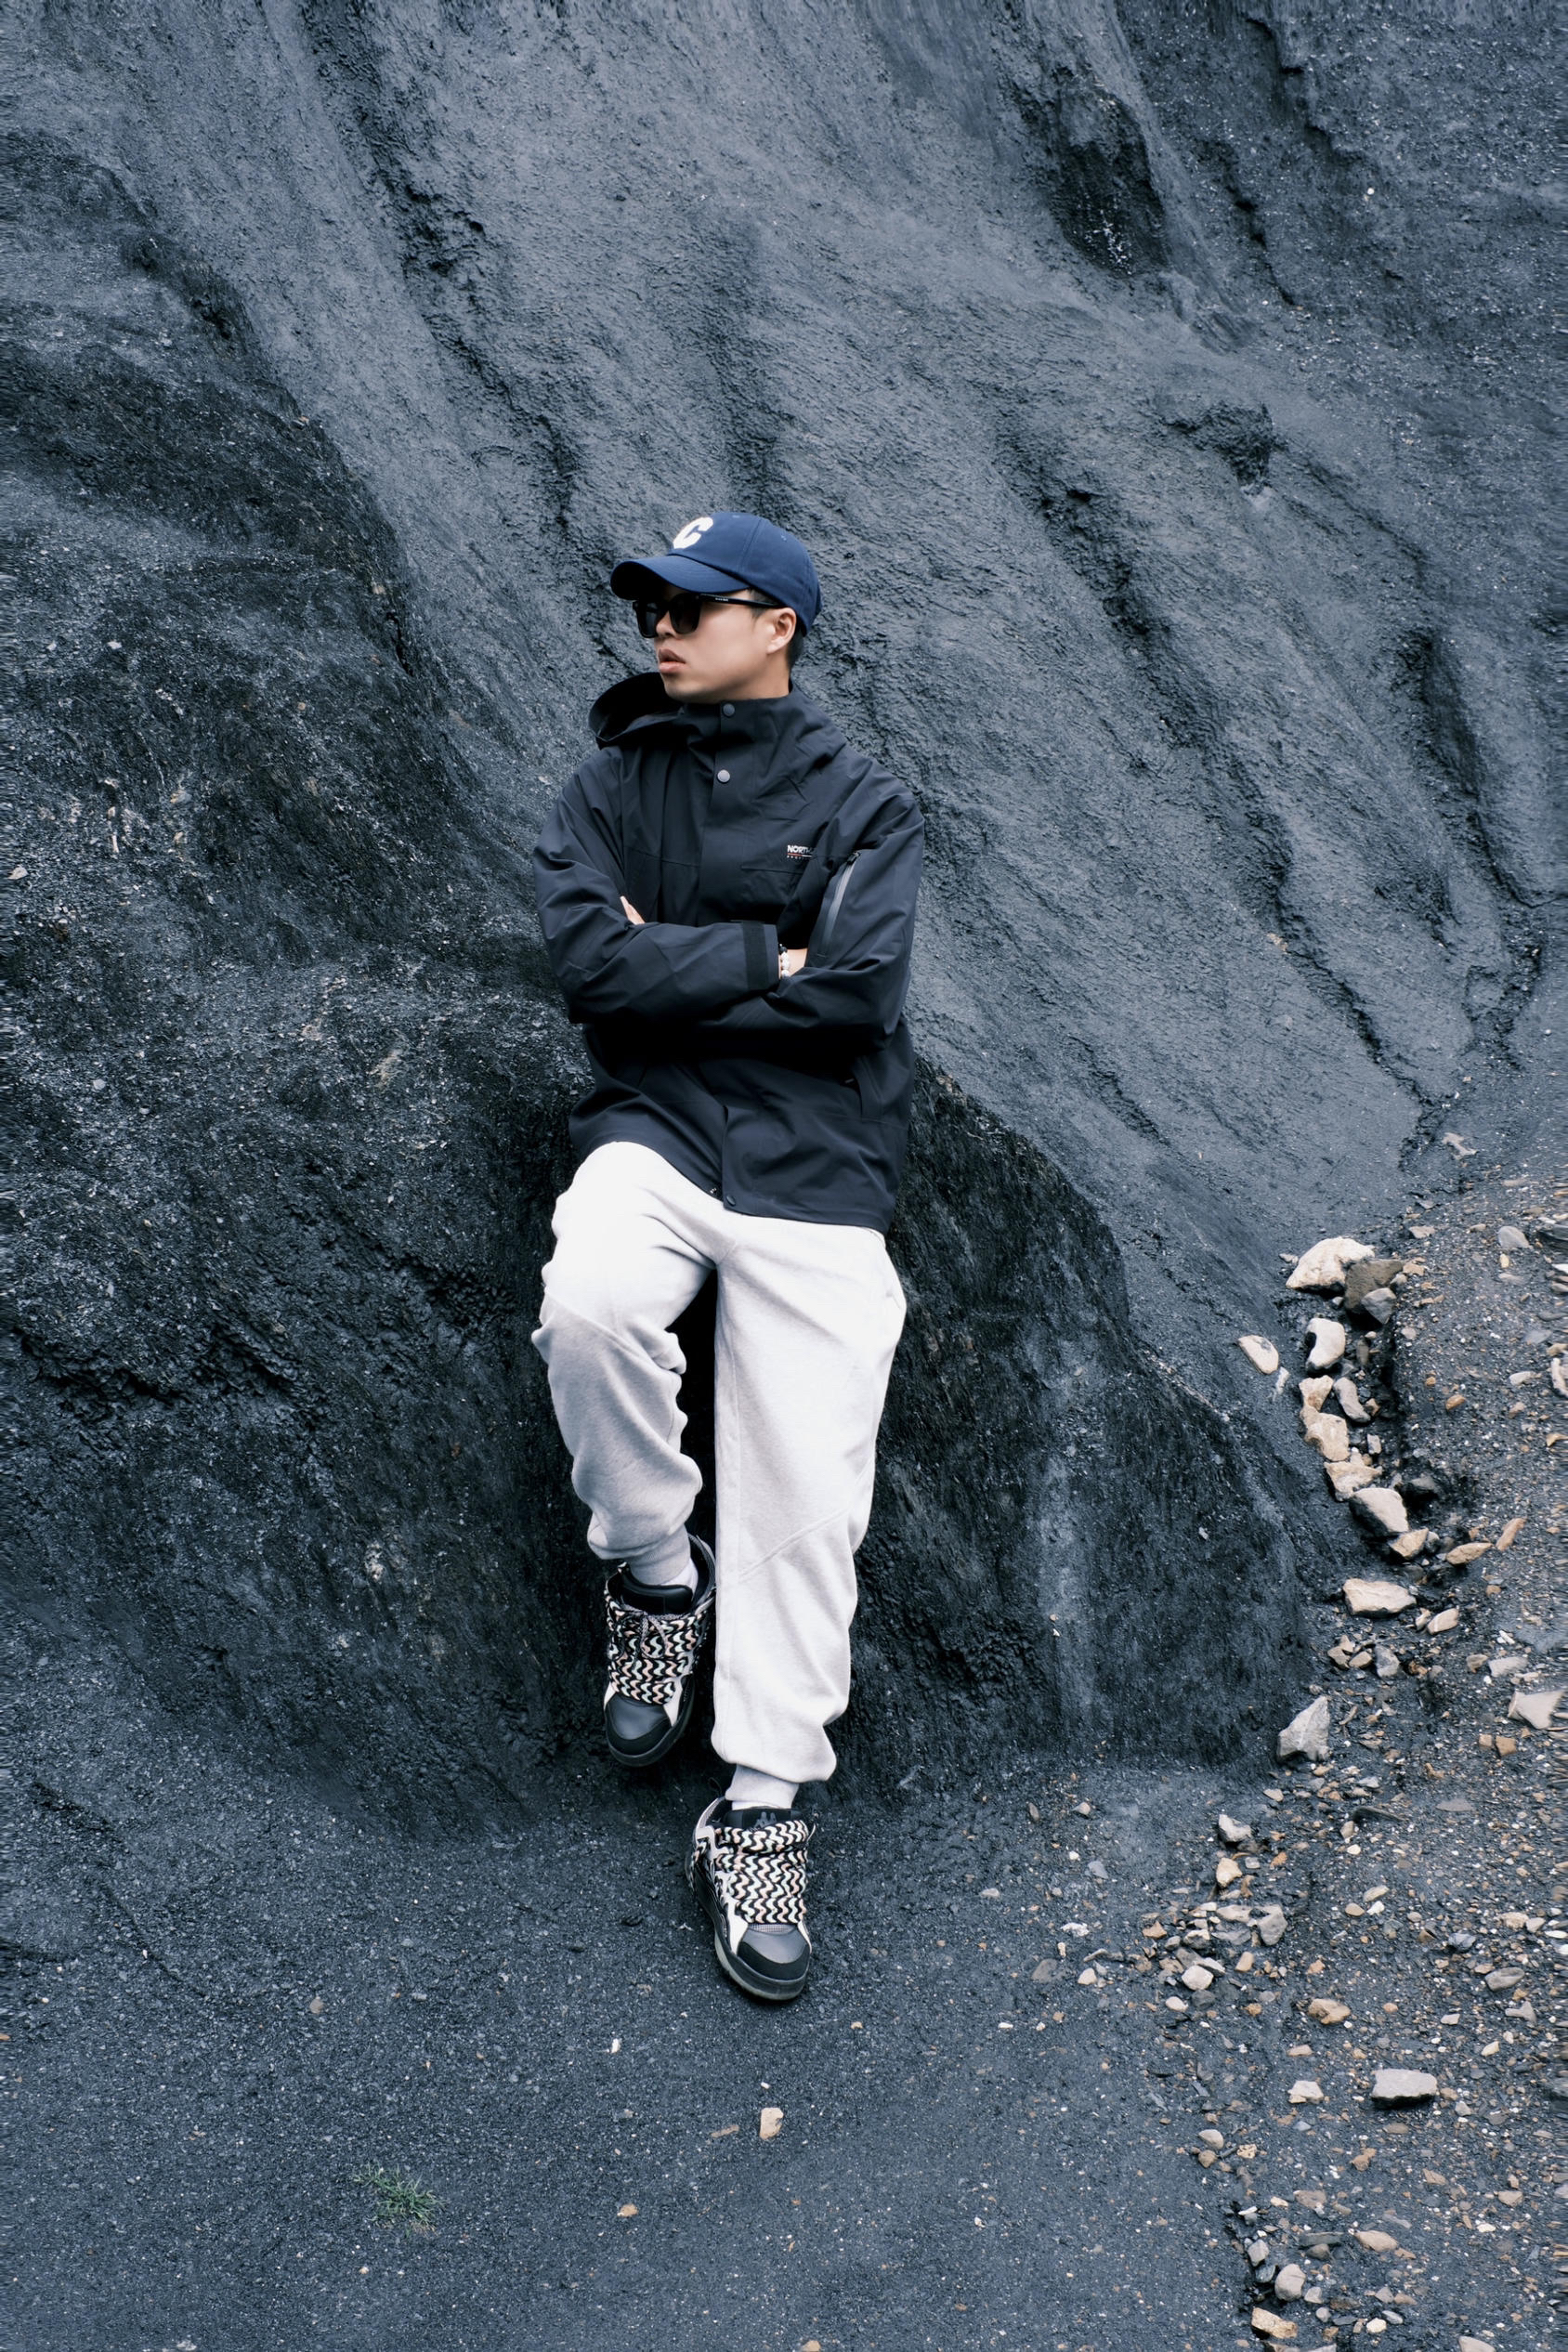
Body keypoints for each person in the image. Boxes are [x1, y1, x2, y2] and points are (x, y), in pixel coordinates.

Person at [531, 512, 922, 2002]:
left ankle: (759, 1808)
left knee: (810, 1498)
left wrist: (678, 967)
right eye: (653, 603)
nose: (662, 625)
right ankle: (652, 1572)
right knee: (590, 1307)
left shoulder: (869, 804)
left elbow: (862, 992)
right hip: (658, 1132)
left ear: (779, 625)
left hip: (822, 1172)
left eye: (695, 606)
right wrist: (773, 954)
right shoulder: (603, 789)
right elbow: (590, 969)